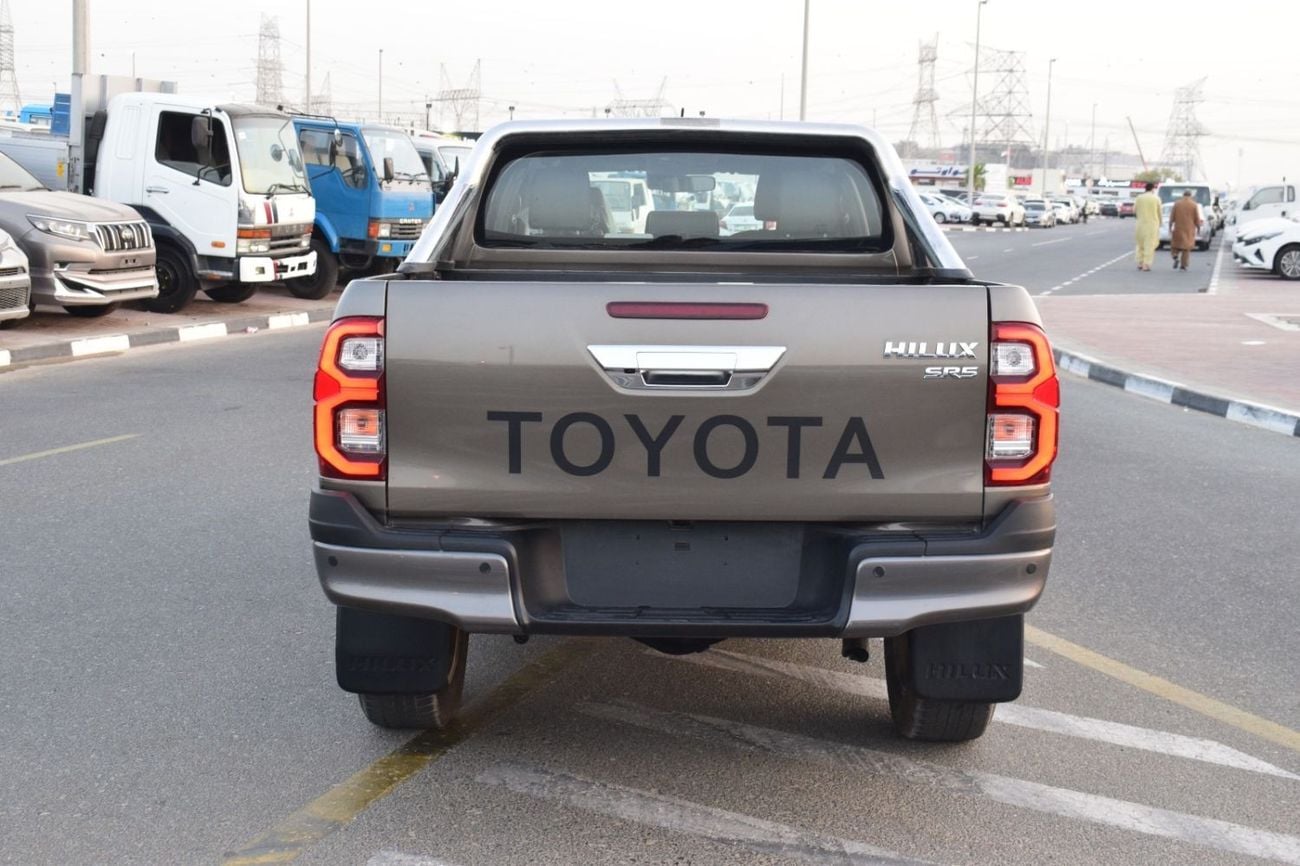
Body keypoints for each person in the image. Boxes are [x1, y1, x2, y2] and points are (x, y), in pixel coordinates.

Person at [1169, 189, 1202, 271]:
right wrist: (1198, 227)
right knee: (1186, 249)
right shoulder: (1194, 205)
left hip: (1178, 228)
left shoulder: (1177, 204)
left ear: (1183, 195)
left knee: (1175, 246)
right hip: (1189, 229)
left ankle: (1175, 256)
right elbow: (1196, 218)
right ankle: (1183, 265)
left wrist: (1170, 226)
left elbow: (1172, 216)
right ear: (1191, 195)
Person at [1133, 182, 1161, 271]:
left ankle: (1140, 262)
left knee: (1140, 244)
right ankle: (1146, 264)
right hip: (1152, 224)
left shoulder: (1139, 198)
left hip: (1140, 224)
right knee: (1150, 244)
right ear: (1153, 189)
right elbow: (1159, 212)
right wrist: (1160, 223)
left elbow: (1134, 211)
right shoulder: (1156, 199)